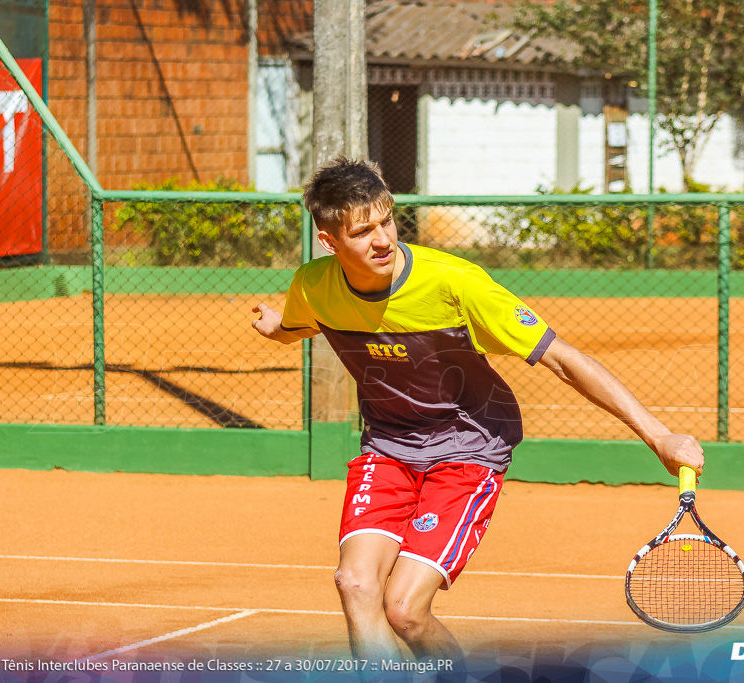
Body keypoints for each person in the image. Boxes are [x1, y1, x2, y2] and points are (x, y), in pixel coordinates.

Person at [252, 157, 705, 665]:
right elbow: (302, 323)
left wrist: (659, 436)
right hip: (388, 447)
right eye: (362, 232)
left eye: (387, 221)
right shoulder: (313, 285)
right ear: (328, 241)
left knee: (405, 611)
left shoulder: (455, 283)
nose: (381, 240)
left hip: (468, 448)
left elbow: (563, 358)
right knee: (354, 582)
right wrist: (277, 328)